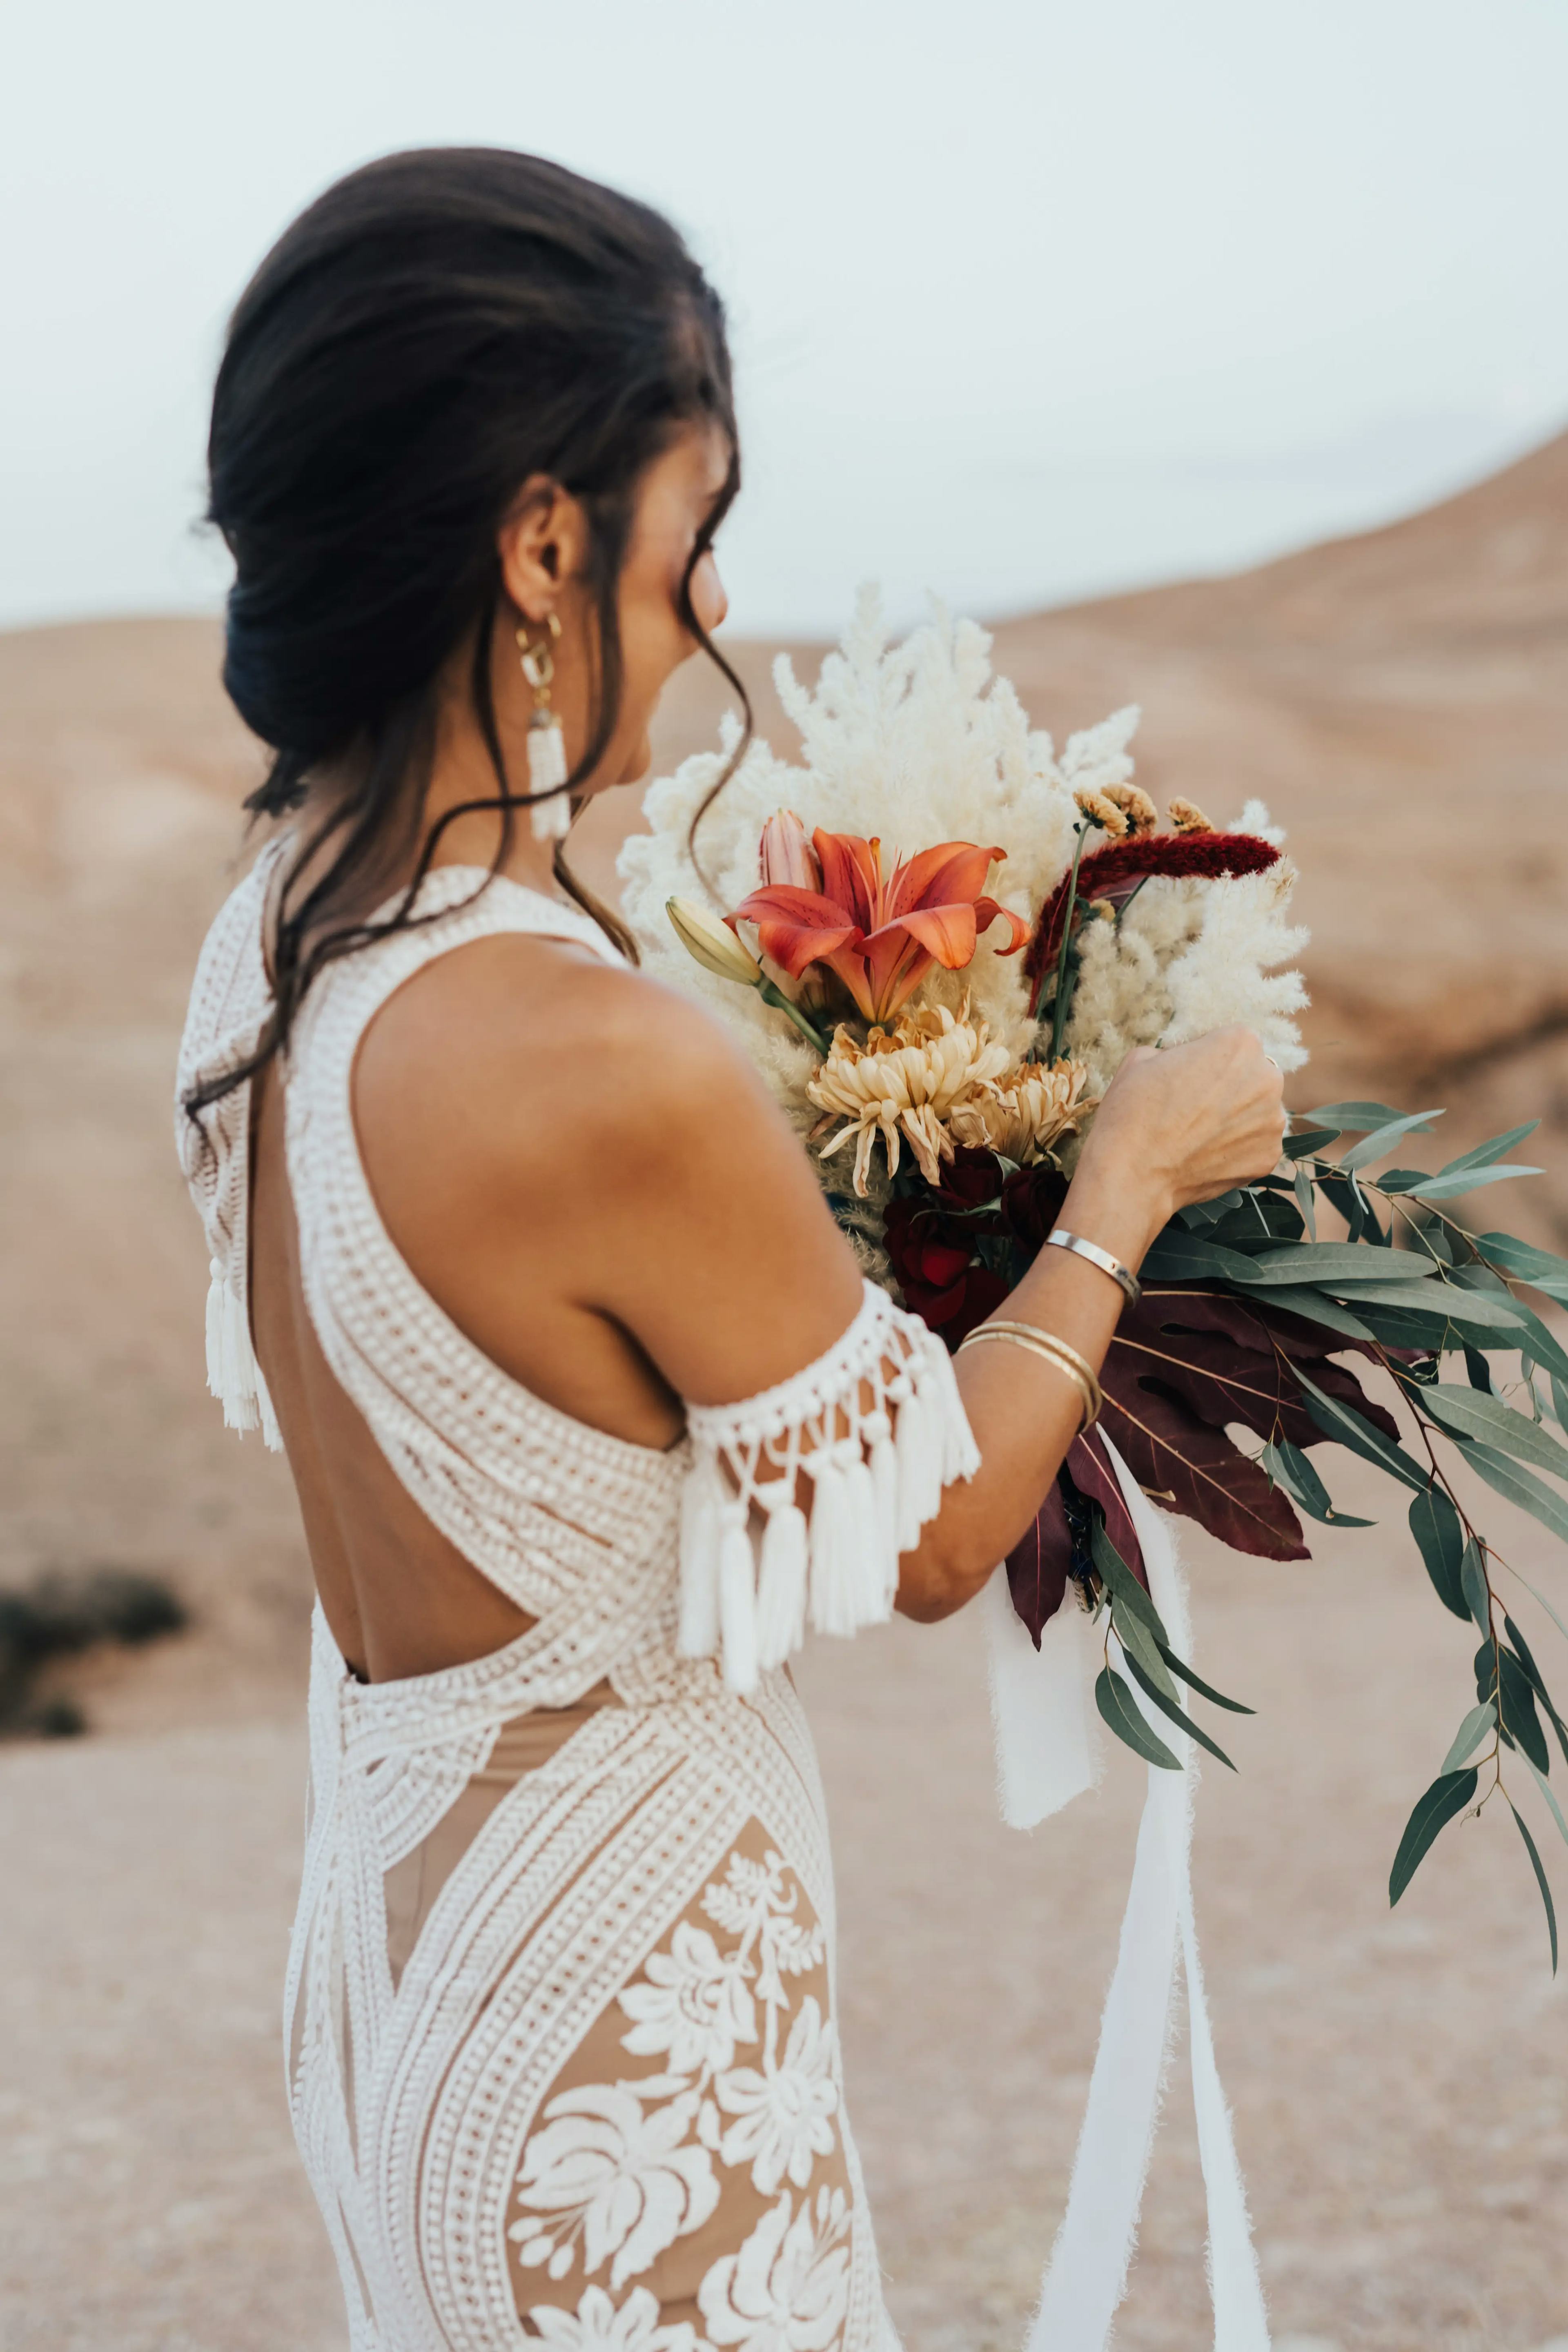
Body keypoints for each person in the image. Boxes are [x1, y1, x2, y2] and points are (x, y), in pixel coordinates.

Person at [176, 148, 1285, 2352]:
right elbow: (941, 1526)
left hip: (410, 1981)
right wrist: (1126, 1178)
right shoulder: (587, 1058)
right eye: (696, 539)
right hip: (628, 2060)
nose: (703, 622)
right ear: (542, 540)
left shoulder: (271, 966)